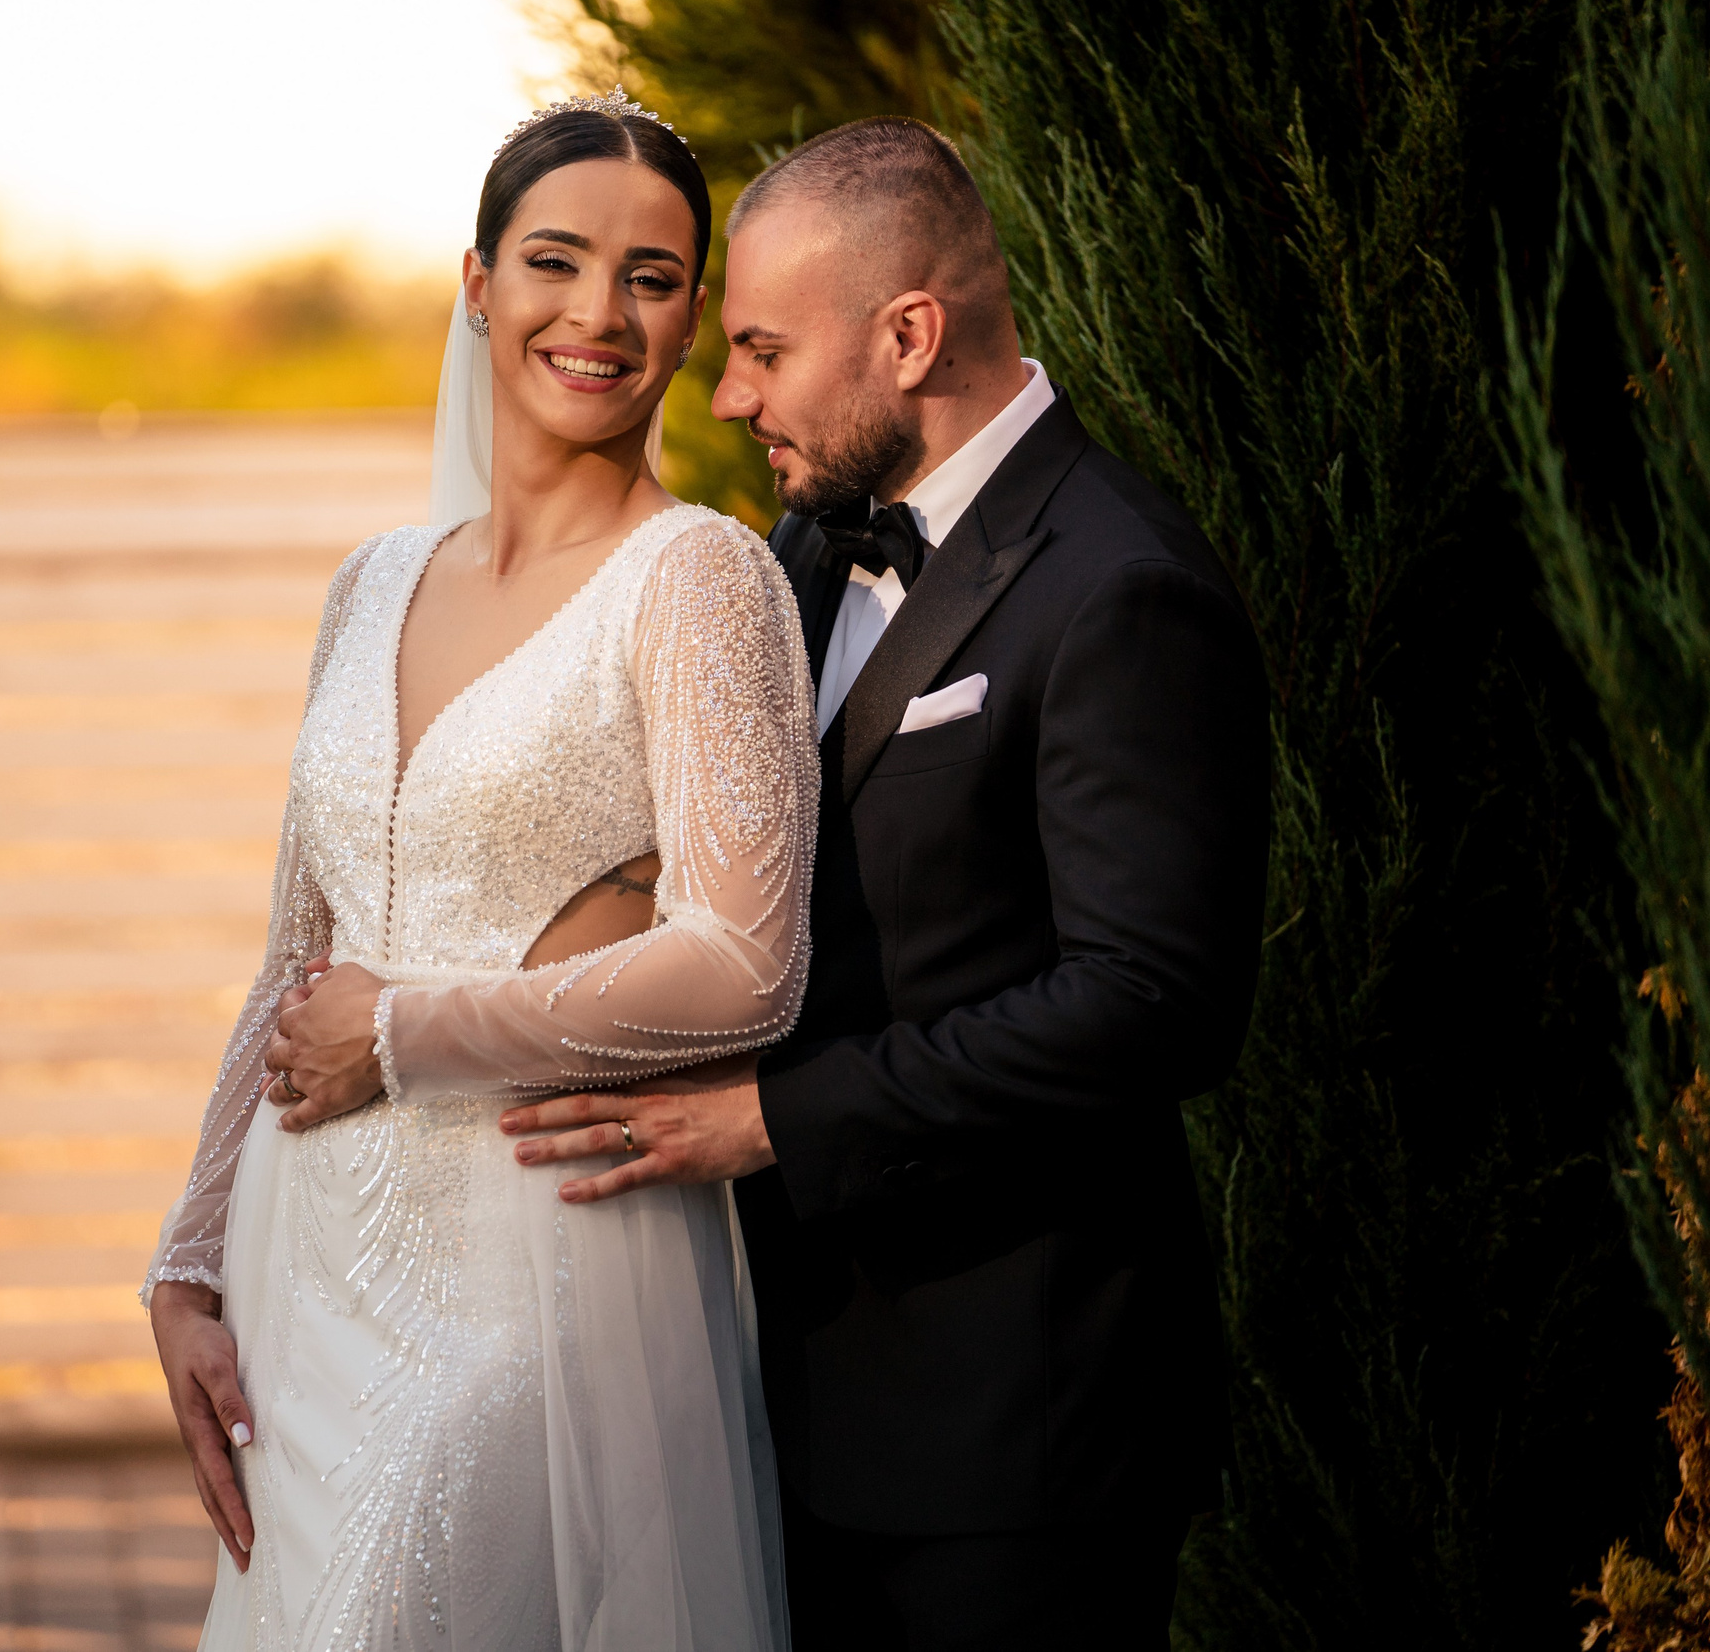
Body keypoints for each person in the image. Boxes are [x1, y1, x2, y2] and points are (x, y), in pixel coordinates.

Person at [404, 118, 1271, 1647]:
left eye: (761, 350)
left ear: (911, 336)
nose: (726, 395)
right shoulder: (802, 552)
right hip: (782, 1394)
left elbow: (1153, 1006)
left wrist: (775, 1119)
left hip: (1021, 1431)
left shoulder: (1120, 583)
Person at [144, 88, 818, 1652]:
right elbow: (290, 960)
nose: (599, 313)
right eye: (556, 262)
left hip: (535, 1268)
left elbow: (747, 962)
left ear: (690, 316)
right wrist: (185, 1264)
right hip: (303, 1274)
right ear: (476, 284)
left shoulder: (699, 578)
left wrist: (403, 1030)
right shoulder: (374, 582)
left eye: (651, 279)